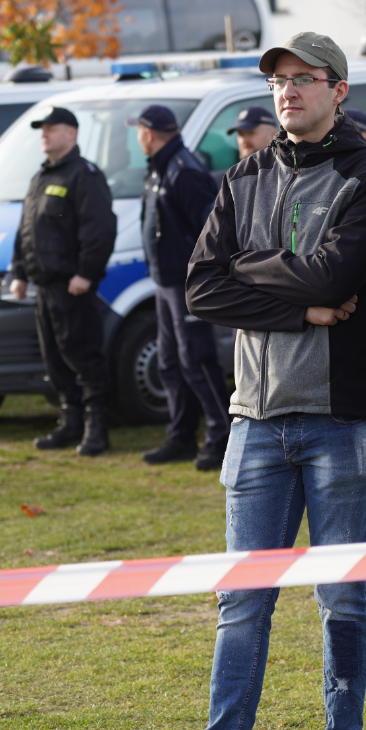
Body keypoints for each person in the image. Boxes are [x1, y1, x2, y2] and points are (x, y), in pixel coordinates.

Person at [123, 32, 366, 730]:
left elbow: (336, 275)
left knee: (341, 598)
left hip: (342, 416)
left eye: (303, 79)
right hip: (253, 419)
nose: (287, 92)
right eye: (278, 80)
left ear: (339, 90)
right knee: (242, 601)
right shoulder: (245, 173)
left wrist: (261, 272)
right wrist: (297, 304)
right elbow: (200, 284)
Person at [10, 106, 116, 456]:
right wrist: (19, 273)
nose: (44, 134)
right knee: (54, 359)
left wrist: (86, 273)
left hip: (72, 287)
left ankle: (96, 429)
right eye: (41, 128)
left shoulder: (83, 175)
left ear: (71, 134)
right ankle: (70, 424)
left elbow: (99, 229)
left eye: (51, 128)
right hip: (45, 288)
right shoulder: (41, 176)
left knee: (83, 358)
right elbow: (26, 228)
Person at [130, 104, 230, 471]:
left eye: (138, 130)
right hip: (165, 282)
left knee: (198, 362)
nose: (136, 136)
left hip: (186, 285)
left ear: (150, 133)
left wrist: (200, 279)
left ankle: (222, 439)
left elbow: (209, 232)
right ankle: (181, 436)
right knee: (171, 363)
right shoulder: (158, 168)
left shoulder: (183, 171)